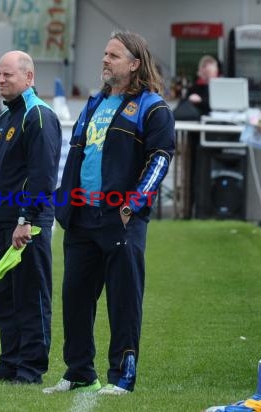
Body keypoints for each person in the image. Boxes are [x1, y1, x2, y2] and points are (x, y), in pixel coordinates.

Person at [45, 31, 175, 395]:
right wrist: (63, 201)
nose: (104, 60)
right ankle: (79, 371)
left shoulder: (153, 107)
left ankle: (122, 376)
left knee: (123, 300)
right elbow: (76, 155)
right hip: (82, 217)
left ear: (134, 64)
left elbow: (159, 160)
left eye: (113, 55)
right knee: (75, 298)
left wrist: (133, 204)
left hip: (120, 218)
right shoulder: (93, 103)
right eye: (104, 53)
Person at [0, 50, 62, 384]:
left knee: (31, 294)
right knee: (5, 294)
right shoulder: (6, 117)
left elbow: (43, 175)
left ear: (29, 77)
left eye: (8, 75)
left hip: (28, 222)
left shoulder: (39, 116)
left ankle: (31, 367)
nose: (1, 80)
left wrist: (27, 219)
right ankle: (9, 362)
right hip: (3, 220)